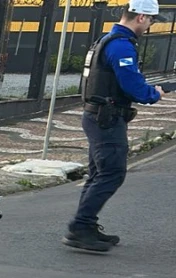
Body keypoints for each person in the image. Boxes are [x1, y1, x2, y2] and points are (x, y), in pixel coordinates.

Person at [65, 0, 166, 252]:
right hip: (106, 120)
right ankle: (80, 227)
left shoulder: (106, 40)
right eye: (151, 20)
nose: (151, 25)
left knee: (99, 174)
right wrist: (153, 94)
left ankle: (86, 226)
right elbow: (131, 84)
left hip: (98, 116)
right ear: (141, 17)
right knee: (111, 173)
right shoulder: (121, 46)